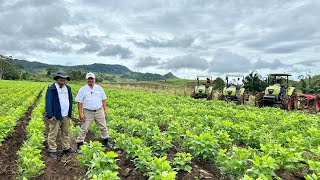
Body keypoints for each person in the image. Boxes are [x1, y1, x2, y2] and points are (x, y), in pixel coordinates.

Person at [75, 72, 112, 150]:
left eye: (92, 79)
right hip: (88, 111)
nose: (90, 80)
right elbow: (79, 102)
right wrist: (80, 113)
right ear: (86, 80)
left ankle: (106, 141)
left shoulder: (99, 88)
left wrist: (105, 110)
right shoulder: (82, 89)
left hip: (99, 110)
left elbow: (103, 99)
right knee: (84, 128)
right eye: (89, 79)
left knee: (103, 126)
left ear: (94, 79)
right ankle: (79, 143)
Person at [45, 72, 74, 159]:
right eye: (60, 78)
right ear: (57, 79)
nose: (62, 79)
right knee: (53, 133)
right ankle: (52, 150)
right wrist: (50, 115)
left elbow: (70, 100)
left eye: (64, 78)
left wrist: (69, 112)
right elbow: (48, 102)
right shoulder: (52, 88)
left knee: (65, 132)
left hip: (66, 115)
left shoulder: (68, 88)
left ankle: (66, 147)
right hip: (56, 115)